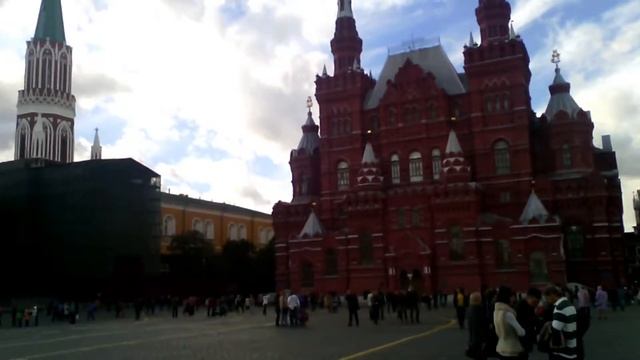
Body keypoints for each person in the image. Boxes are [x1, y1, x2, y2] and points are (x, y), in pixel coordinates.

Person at [544, 285, 579, 360]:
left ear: (552, 295)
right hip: (572, 347)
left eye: (547, 297)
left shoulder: (559, 308)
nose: (546, 300)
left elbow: (555, 331)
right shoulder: (570, 305)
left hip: (562, 352)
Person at [493, 286, 525, 360]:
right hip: (512, 348)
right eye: (512, 296)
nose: (513, 299)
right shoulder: (508, 314)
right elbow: (521, 332)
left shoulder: (496, 311)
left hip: (500, 346)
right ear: (508, 297)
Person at [516, 288, 542, 359]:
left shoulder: (530, 306)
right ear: (529, 297)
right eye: (535, 302)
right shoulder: (520, 307)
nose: (536, 304)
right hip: (521, 339)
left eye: (537, 302)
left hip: (526, 338)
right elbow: (526, 323)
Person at [466, 292, 488, 360]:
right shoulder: (479, 311)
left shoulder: (470, 310)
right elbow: (483, 327)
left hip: (472, 339)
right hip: (479, 341)